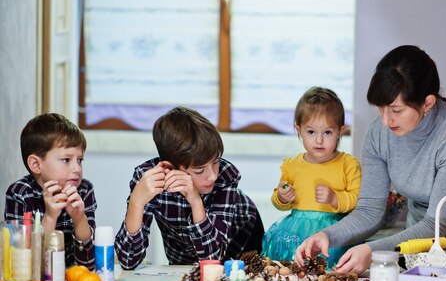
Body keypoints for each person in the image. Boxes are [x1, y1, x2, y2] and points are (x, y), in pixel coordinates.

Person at [295, 45, 446, 274]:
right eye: (380, 108)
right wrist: (327, 236)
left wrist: (373, 252)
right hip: (414, 241)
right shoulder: (379, 134)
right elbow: (370, 210)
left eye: (396, 110)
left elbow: (435, 226)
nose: (385, 121)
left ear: (427, 103)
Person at [114, 106, 264, 270]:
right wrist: (136, 202)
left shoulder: (226, 176)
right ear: (170, 168)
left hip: (243, 236)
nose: (213, 176)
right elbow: (127, 260)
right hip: (183, 257)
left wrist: (195, 201)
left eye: (216, 162)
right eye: (200, 170)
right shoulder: (149, 179)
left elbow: (212, 257)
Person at [261, 87, 361, 266]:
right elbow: (279, 201)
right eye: (311, 132)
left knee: (328, 276)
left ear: (340, 131)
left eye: (327, 132)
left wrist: (334, 198)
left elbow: (357, 201)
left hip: (333, 233)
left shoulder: (348, 164)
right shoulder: (292, 165)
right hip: (295, 233)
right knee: (292, 273)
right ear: (298, 130)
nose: (319, 140)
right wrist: (282, 197)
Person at [5, 113, 96, 269]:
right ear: (36, 164)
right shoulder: (19, 194)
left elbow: (88, 264)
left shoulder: (83, 189)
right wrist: (50, 217)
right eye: (66, 160)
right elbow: (24, 266)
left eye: (79, 160)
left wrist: (79, 219)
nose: (76, 168)